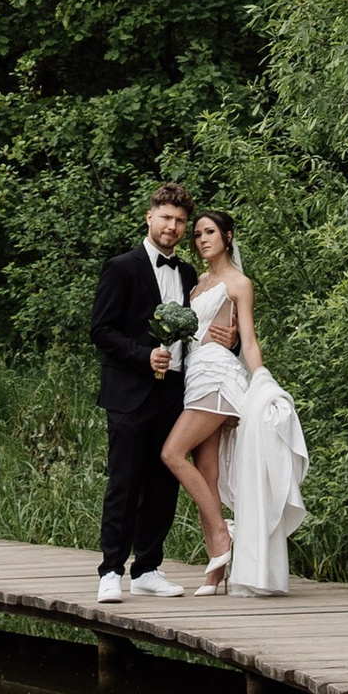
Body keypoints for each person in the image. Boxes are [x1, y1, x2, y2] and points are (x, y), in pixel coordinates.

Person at [89, 181, 237, 602]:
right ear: (150, 217)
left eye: (180, 221)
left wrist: (232, 341)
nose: (172, 227)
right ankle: (110, 571)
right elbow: (101, 329)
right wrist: (142, 356)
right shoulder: (121, 267)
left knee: (162, 482)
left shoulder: (190, 274)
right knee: (125, 480)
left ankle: (148, 567)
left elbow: (206, 331)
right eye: (166, 218)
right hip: (130, 391)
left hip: (177, 390)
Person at [159, 209, 268, 593]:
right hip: (195, 377)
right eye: (199, 234)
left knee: (172, 453)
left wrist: (262, 380)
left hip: (218, 378)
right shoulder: (198, 283)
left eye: (210, 232)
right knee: (207, 474)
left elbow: (248, 340)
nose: (202, 239)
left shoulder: (239, 283)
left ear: (228, 236)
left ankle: (223, 535)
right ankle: (215, 570)